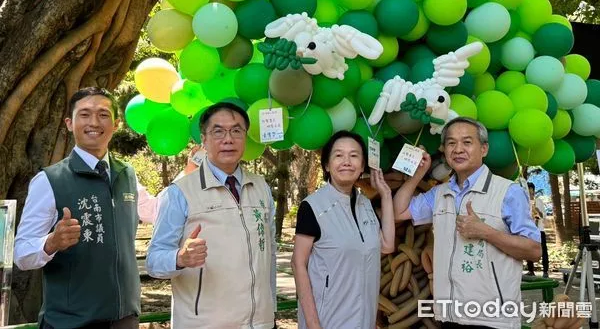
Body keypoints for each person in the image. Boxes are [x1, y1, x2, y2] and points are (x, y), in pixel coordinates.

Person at [14, 87, 159, 329]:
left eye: (103, 114)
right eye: (84, 114)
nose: (94, 122)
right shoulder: (50, 180)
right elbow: (21, 254)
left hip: (124, 319)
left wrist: (190, 176)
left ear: (116, 124)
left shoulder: (127, 175)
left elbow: (155, 210)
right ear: (69, 123)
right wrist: (51, 242)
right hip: (71, 322)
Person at [393, 117, 541, 329]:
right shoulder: (440, 194)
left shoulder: (508, 192)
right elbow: (399, 211)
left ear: (484, 149)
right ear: (444, 150)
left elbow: (534, 250)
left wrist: (486, 232)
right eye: (451, 143)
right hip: (450, 316)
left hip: (492, 319)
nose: (458, 149)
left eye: (467, 142)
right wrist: (417, 176)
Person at [146, 102, 277, 329]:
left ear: (245, 137)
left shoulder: (260, 187)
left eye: (236, 131)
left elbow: (270, 255)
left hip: (260, 323)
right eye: (218, 131)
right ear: (203, 140)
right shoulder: (180, 192)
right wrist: (179, 258)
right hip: (205, 324)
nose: (228, 139)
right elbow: (154, 261)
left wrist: (271, 311)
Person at [291, 131, 397, 329]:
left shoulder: (365, 205)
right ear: (327, 165)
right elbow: (298, 264)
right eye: (338, 155)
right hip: (327, 320)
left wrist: (386, 195)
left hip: (363, 319)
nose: (347, 161)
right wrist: (314, 325)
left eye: (354, 155)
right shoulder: (313, 206)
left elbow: (387, 245)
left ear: (363, 166)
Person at [527, 182, 549, 278]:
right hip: (529, 230)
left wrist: (537, 210)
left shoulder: (538, 201)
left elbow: (543, 216)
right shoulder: (525, 201)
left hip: (539, 229)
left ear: (534, 191)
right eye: (528, 191)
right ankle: (531, 270)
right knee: (528, 250)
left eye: (531, 191)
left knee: (543, 250)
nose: (530, 193)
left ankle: (545, 271)